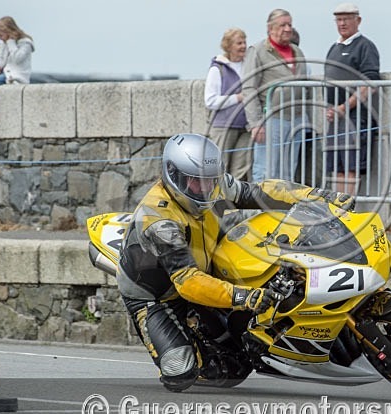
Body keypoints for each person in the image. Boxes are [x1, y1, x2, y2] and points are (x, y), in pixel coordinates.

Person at [116, 133, 355, 389]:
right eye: (194, 182)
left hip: (206, 257)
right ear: (172, 175)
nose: (204, 188)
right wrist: (244, 297)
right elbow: (187, 283)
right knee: (179, 373)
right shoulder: (159, 221)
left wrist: (317, 196)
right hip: (158, 294)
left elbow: (259, 191)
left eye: (209, 180)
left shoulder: (214, 186)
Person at [242, 9, 308, 182]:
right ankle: (260, 208)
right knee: (266, 171)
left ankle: (284, 208)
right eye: (282, 25)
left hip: (297, 119)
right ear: (270, 28)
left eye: (290, 25)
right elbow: (248, 88)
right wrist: (256, 124)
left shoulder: (297, 52)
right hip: (272, 119)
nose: (287, 29)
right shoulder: (257, 51)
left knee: (288, 171)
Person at [324, 2, 380, 194]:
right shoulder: (334, 47)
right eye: (339, 19)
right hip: (336, 120)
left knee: (350, 168)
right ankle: (336, 213)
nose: (342, 23)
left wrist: (345, 107)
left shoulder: (365, 46)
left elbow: (370, 83)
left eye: (346, 19)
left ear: (358, 20)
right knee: (336, 169)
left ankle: (347, 212)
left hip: (355, 118)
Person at [205, 28, 252, 181]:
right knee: (220, 167)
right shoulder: (217, 69)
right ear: (229, 46)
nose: (243, 46)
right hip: (223, 127)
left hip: (245, 126)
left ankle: (233, 200)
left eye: (244, 42)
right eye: (239, 43)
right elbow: (210, 100)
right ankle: (218, 201)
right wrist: (237, 98)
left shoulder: (249, 66)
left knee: (241, 168)